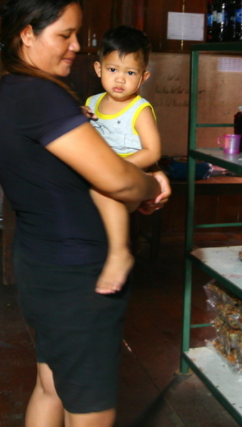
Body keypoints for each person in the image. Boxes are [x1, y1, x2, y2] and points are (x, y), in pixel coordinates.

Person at [0, 0, 170, 427]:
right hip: (78, 276)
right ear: (27, 33)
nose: (75, 47)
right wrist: (154, 186)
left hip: (42, 263)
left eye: (77, 35)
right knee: (88, 408)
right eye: (64, 35)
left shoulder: (12, 90)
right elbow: (117, 180)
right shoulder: (41, 95)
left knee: (51, 386)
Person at [83, 26, 160, 295]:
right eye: (112, 69)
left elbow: (152, 152)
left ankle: (120, 252)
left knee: (102, 188)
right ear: (98, 68)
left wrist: (119, 167)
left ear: (143, 77)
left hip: (128, 175)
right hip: (103, 171)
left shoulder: (139, 110)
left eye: (130, 73)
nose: (120, 79)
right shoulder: (91, 102)